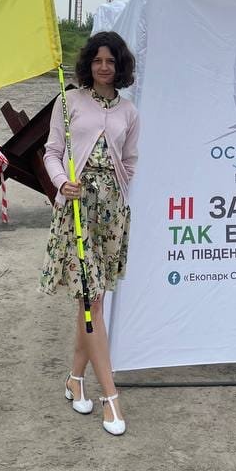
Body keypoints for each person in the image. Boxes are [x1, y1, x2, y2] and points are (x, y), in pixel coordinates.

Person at [41, 30, 140, 436]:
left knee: (92, 299)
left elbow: (130, 161)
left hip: (110, 214)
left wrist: (115, 190)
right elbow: (51, 152)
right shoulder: (69, 101)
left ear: (120, 67)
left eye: (111, 61)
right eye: (98, 60)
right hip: (77, 210)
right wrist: (63, 183)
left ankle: (74, 378)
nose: (104, 67)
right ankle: (110, 397)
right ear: (89, 63)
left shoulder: (129, 112)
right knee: (92, 303)